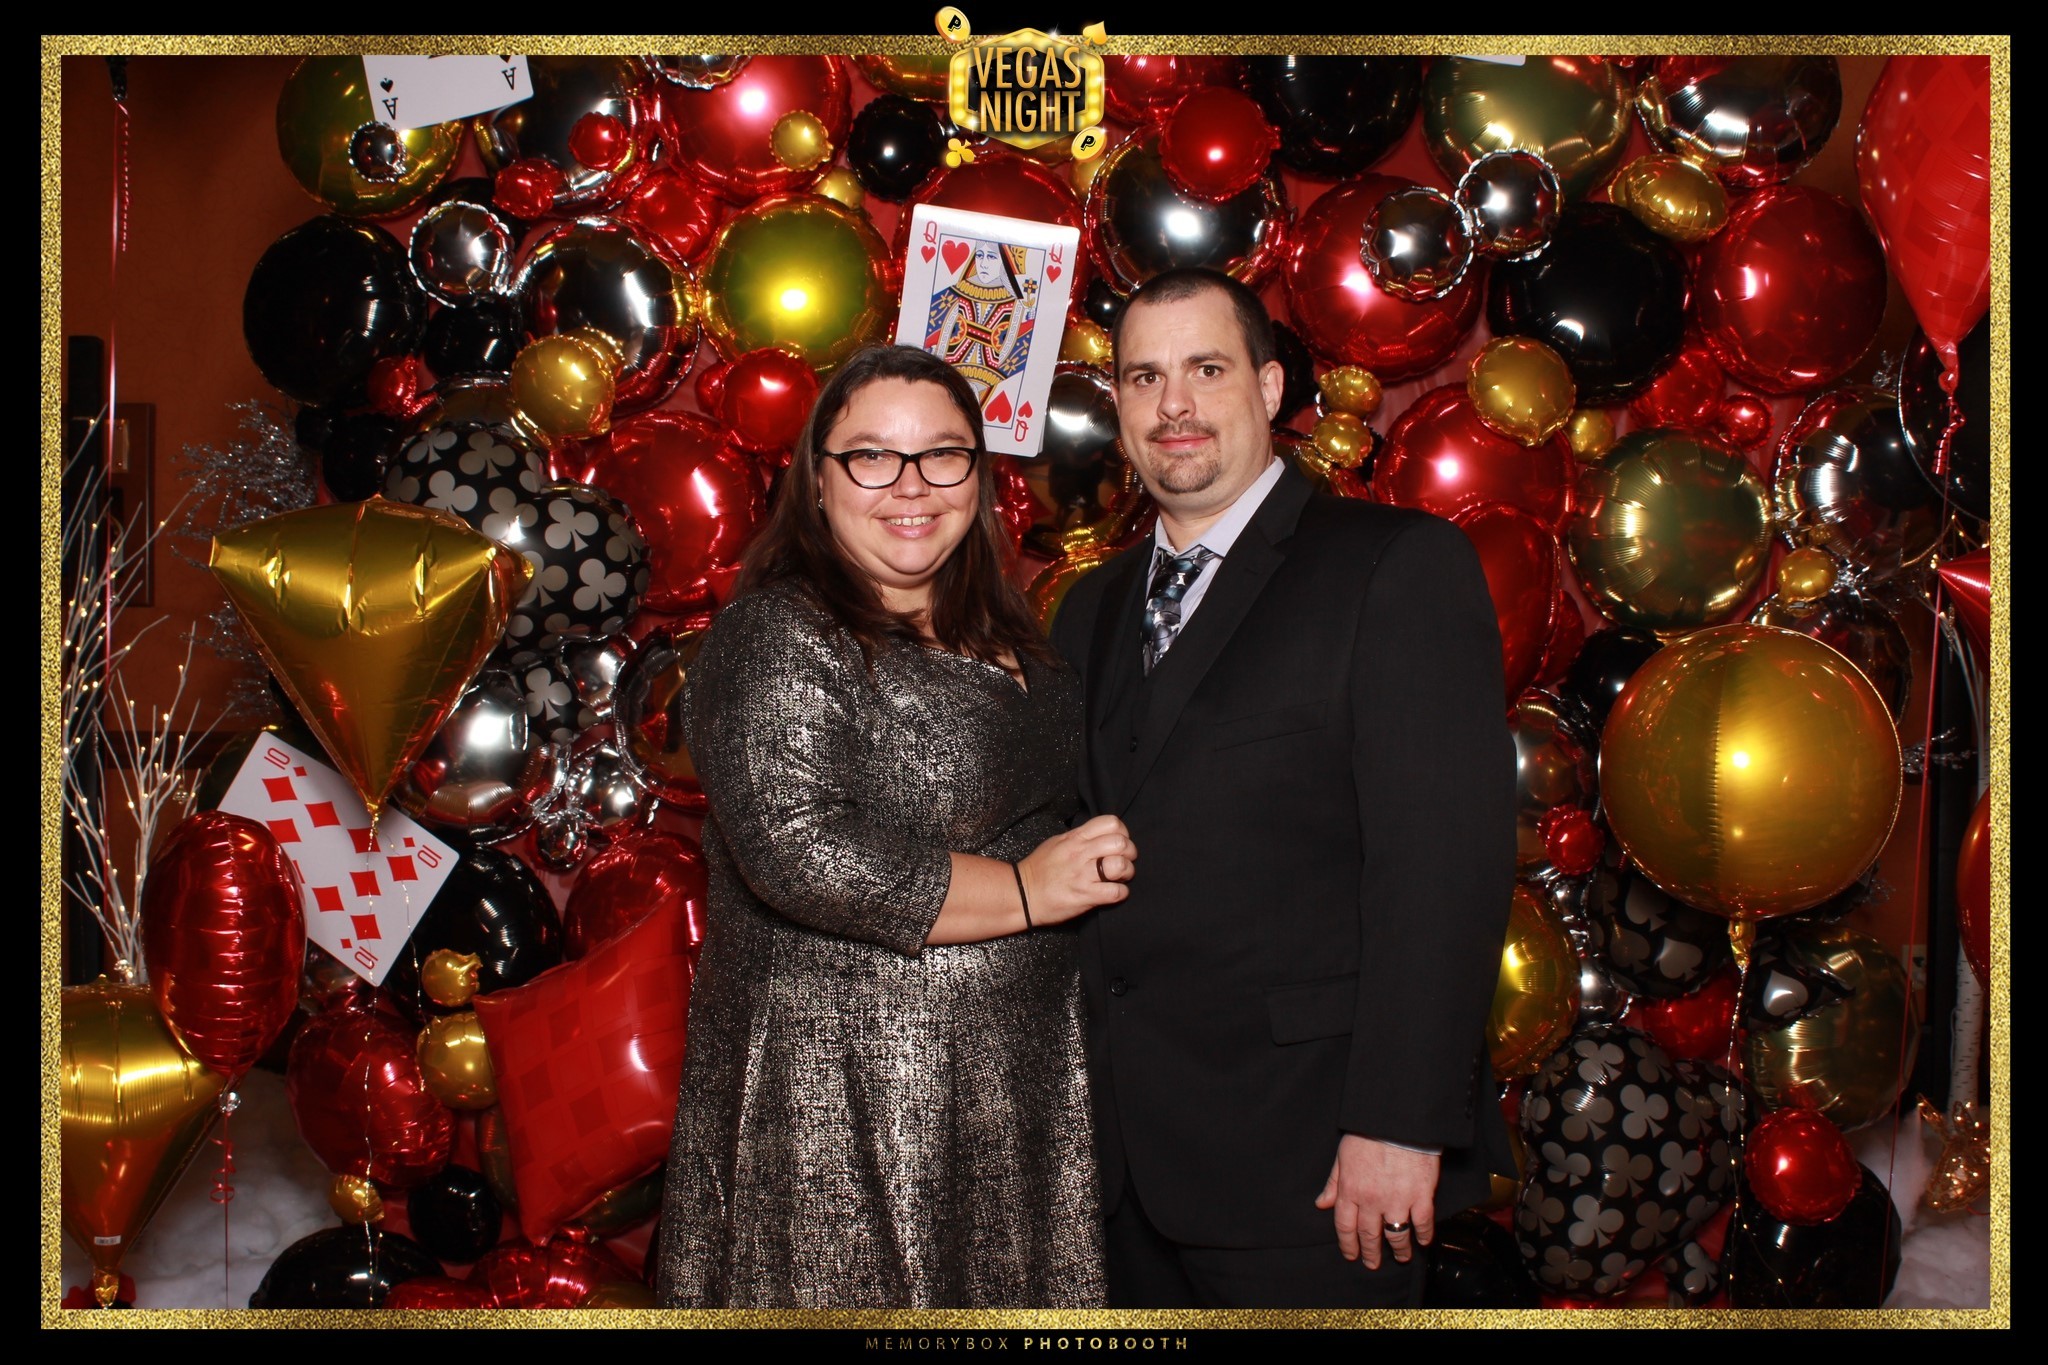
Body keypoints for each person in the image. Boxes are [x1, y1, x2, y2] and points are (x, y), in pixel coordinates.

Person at [1047, 268, 1516, 1309]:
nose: (1173, 404)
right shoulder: (1089, 609)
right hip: (1118, 1172)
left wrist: (1399, 1124)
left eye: (1205, 370)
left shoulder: (1393, 566)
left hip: (1319, 1166)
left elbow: (1442, 865)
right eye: (1144, 377)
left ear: (1267, 388)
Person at [654, 344, 1135, 1309]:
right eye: (872, 455)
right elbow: (798, 848)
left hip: (1009, 1091)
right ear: (818, 481)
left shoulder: (1008, 631)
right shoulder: (778, 632)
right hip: (846, 1109)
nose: (911, 485)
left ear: (979, 476)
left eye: (942, 454)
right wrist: (1031, 890)